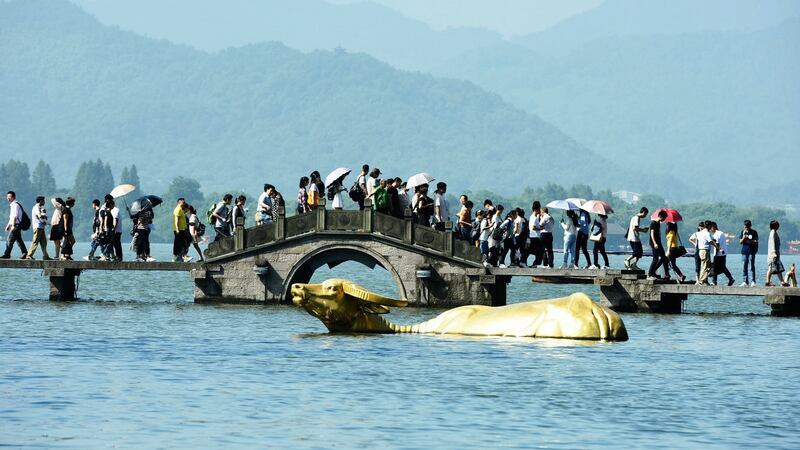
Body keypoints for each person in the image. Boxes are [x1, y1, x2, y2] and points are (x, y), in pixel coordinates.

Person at [2, 191, 28, 259]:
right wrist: (8, 225)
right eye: (7, 197)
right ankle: (25, 253)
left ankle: (7, 254)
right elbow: (11, 217)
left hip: (16, 225)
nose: (8, 198)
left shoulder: (15, 205)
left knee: (9, 240)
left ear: (14, 197)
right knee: (19, 240)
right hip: (16, 225)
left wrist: (13, 226)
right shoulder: (13, 205)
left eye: (10, 197)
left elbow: (15, 216)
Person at [765, 220, 789, 287]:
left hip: (775, 255)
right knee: (771, 267)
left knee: (778, 269)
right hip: (773, 255)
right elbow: (772, 242)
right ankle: (767, 282)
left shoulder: (774, 232)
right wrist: (773, 253)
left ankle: (782, 282)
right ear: (776, 226)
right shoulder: (773, 232)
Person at [647, 210, 669, 280]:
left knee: (663, 257)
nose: (664, 220)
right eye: (664, 218)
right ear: (660, 216)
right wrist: (655, 243)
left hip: (659, 243)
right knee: (655, 259)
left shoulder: (659, 223)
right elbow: (652, 234)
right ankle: (649, 274)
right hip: (654, 243)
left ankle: (653, 271)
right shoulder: (653, 223)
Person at [695, 220, 718, 285]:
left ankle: (704, 280)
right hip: (705, 251)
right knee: (706, 266)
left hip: (701, 250)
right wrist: (717, 247)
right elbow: (711, 241)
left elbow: (709, 239)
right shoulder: (707, 233)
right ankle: (701, 281)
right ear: (709, 226)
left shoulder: (700, 232)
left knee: (704, 266)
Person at [710, 222, 734, 286]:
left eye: (710, 228)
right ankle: (731, 278)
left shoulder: (716, 234)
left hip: (719, 254)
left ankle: (714, 281)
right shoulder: (721, 233)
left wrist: (716, 255)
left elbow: (717, 244)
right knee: (722, 267)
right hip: (723, 254)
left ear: (713, 227)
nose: (710, 230)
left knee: (715, 267)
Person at [27, 196, 50, 260]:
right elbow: (39, 215)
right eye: (43, 201)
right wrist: (44, 216)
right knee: (35, 241)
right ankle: (29, 255)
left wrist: (43, 215)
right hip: (38, 226)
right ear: (40, 201)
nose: (44, 202)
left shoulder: (39, 207)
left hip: (41, 227)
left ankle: (45, 256)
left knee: (44, 242)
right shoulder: (36, 207)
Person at [739, 220, 759, 287]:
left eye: (747, 226)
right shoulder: (743, 232)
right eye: (745, 226)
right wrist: (744, 238)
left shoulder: (754, 232)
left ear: (750, 225)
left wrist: (749, 240)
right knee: (744, 266)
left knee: (751, 267)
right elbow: (740, 242)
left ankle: (753, 281)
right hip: (744, 251)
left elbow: (756, 242)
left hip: (751, 251)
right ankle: (745, 281)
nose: (746, 227)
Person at [172, 198, 190, 262]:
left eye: (184, 202)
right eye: (183, 202)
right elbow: (176, 220)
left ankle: (180, 257)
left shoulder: (180, 209)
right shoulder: (178, 209)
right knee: (181, 243)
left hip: (182, 229)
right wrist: (177, 229)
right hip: (179, 229)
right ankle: (182, 256)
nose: (184, 203)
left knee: (180, 243)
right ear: (179, 202)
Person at [528, 201, 543, 268]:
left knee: (535, 251)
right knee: (539, 251)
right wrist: (541, 228)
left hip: (533, 236)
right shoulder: (534, 218)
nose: (540, 210)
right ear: (536, 209)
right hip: (535, 236)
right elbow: (533, 227)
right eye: (539, 208)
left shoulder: (533, 216)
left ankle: (535, 263)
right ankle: (536, 263)